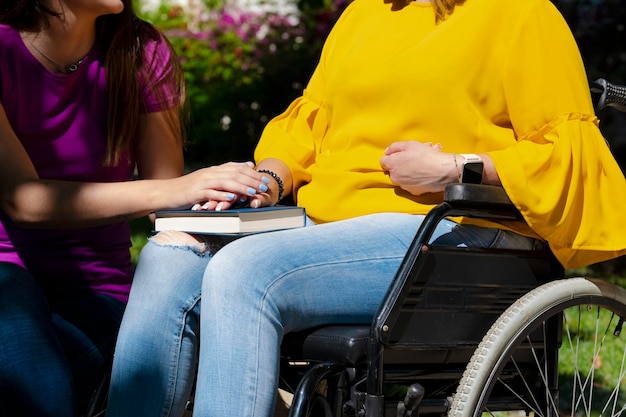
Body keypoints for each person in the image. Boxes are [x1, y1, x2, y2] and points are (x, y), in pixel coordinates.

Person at [105, 0, 626, 416]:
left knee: (245, 272)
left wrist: (457, 167)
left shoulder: (521, 13)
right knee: (171, 255)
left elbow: (566, 155)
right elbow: (313, 126)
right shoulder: (365, 13)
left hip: (451, 230)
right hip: (328, 226)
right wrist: (268, 179)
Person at [0, 0, 272, 414]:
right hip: (7, 275)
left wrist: (221, 201)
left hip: (100, 288)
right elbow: (23, 200)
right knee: (43, 390)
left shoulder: (141, 49)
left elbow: (168, 198)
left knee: (71, 388)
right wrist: (180, 189)